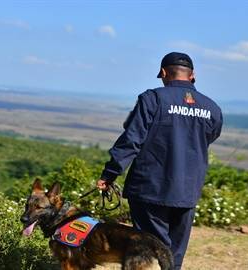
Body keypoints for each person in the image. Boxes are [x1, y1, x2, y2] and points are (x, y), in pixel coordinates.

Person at [96, 52, 222, 269]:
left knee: (153, 248)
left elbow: (132, 140)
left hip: (150, 189)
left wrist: (110, 174)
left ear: (164, 72)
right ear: (193, 76)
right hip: (187, 191)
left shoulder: (152, 99)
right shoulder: (211, 108)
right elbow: (209, 137)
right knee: (175, 253)